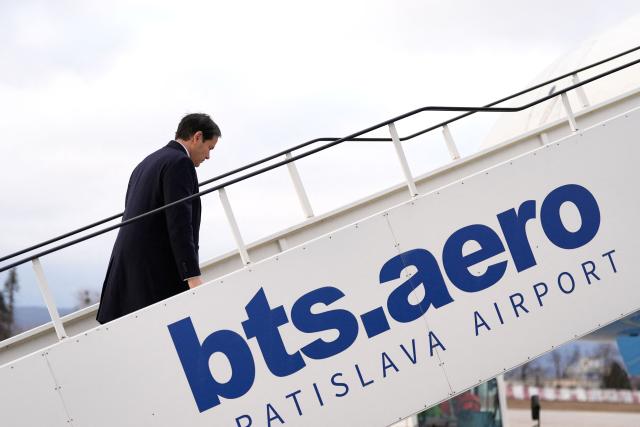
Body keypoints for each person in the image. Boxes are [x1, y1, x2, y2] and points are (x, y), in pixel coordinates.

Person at [96, 113, 221, 324]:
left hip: (128, 272)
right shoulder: (180, 163)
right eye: (210, 148)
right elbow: (179, 222)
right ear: (197, 137)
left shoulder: (146, 163)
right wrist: (192, 275)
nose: (208, 157)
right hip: (154, 275)